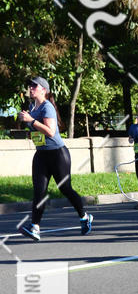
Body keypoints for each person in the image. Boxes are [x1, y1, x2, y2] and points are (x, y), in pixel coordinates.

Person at [17, 77, 93, 241]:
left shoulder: (47, 107)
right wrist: (26, 121)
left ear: (43, 89)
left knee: (65, 189)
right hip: (41, 155)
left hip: (58, 154)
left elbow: (50, 132)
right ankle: (35, 227)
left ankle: (85, 217)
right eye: (29, 85)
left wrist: (31, 121)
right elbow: (37, 132)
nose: (30, 88)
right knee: (39, 192)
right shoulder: (32, 107)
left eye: (34, 85)